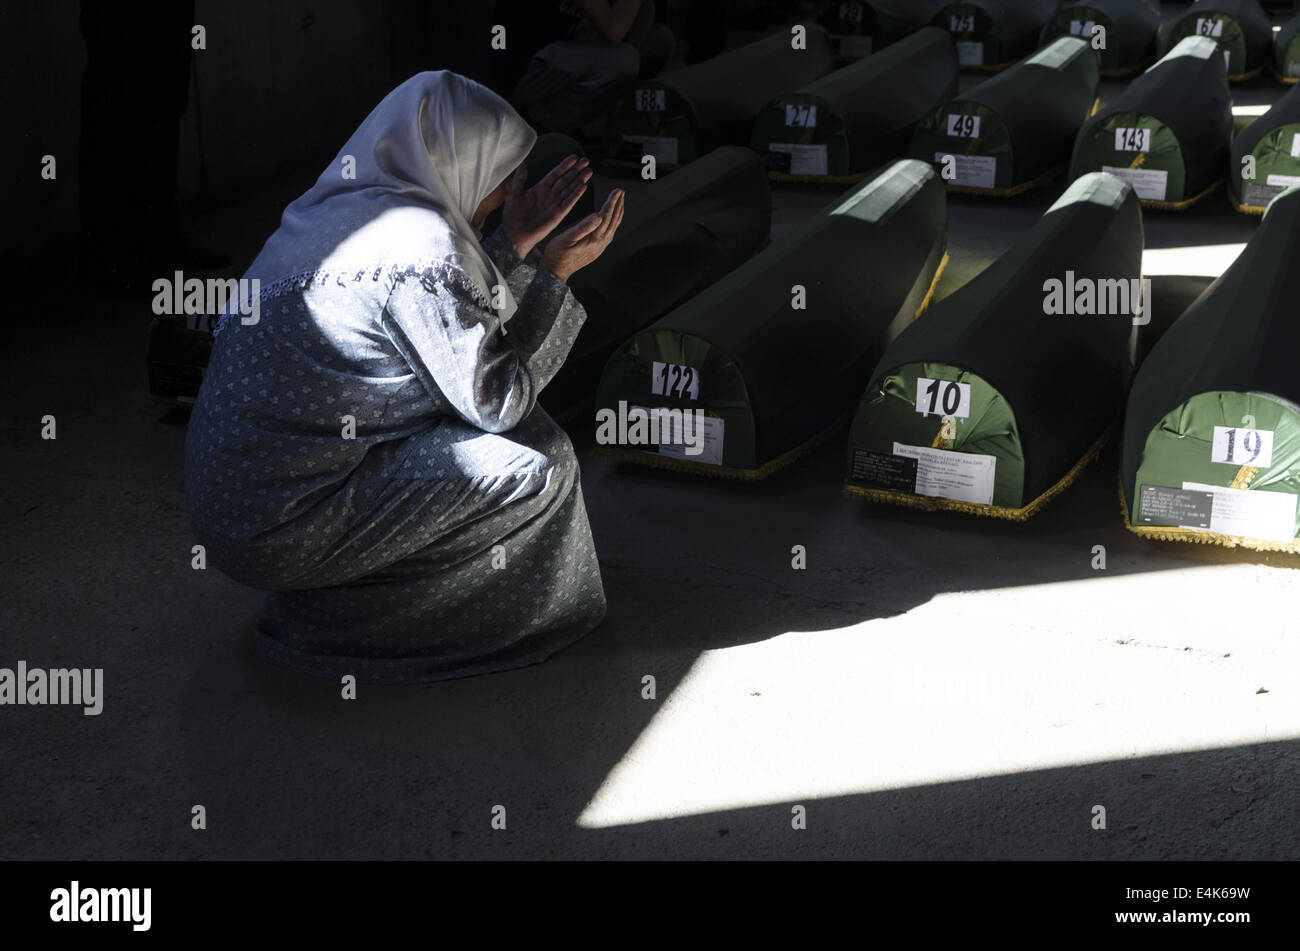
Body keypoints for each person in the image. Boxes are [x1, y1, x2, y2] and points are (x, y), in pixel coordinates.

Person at [184, 71, 624, 684]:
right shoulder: (423, 248)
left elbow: (434, 325)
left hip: (241, 509)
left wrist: (514, 243)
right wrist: (556, 273)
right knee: (537, 463)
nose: (496, 199)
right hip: (285, 525)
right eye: (497, 181)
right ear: (458, 162)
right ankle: (365, 623)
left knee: (485, 429)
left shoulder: (338, 212)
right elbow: (500, 402)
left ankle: (347, 587)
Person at [497, 0, 675, 136]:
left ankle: (608, 114)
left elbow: (634, 33)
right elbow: (614, 31)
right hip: (529, 68)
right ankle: (542, 124)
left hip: (573, 51)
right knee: (624, 59)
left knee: (659, 40)